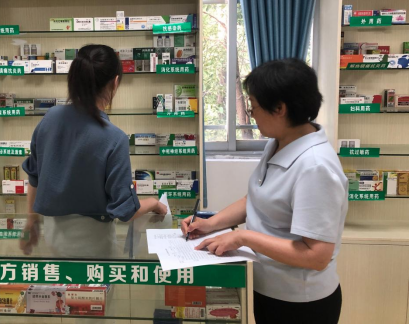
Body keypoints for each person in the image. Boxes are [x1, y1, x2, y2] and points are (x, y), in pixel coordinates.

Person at [181, 59, 348, 325]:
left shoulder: (315, 167)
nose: (251, 114)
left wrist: (243, 237)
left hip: (300, 303)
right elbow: (256, 199)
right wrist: (210, 224)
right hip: (267, 288)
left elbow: (317, 256)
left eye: (254, 106)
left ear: (279, 108)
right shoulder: (278, 143)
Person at [20, 44, 167, 256]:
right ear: (115, 83)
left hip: (52, 237)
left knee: (61, 279)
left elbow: (34, 175)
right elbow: (126, 210)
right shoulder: (114, 138)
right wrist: (153, 203)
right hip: (94, 244)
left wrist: (31, 220)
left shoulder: (50, 118)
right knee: (94, 280)